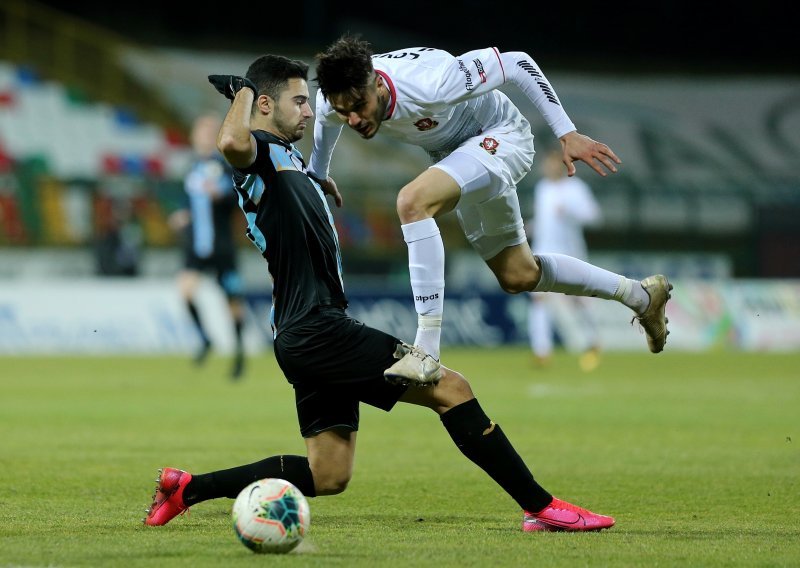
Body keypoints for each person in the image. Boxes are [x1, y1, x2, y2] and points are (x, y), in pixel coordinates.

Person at [143, 55, 615, 533]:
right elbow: (230, 141)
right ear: (265, 105)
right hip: (317, 328)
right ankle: (542, 506)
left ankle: (188, 488)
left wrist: (318, 172)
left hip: (302, 331)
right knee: (452, 390)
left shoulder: (291, 161)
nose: (311, 111)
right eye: (300, 102)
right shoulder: (260, 153)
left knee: (328, 474)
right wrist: (244, 89)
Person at [309, 34, 671, 384]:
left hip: (501, 135)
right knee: (518, 275)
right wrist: (320, 176)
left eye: (359, 107)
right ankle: (640, 295)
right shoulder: (337, 101)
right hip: (456, 155)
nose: (353, 119)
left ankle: (426, 352)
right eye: (345, 112)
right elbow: (326, 125)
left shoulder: (432, 83)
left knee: (412, 201)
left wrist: (567, 132)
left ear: (380, 87)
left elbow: (516, 63)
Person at [169, 113, 247, 380]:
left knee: (232, 301)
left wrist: (222, 195)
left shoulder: (226, 167)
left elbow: (236, 197)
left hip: (222, 247)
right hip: (196, 246)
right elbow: (187, 200)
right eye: (199, 133)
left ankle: (239, 356)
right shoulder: (191, 169)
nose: (202, 138)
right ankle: (205, 339)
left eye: (207, 133)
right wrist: (182, 214)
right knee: (186, 291)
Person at [528, 149, 602, 371]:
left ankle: (593, 340)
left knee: (577, 300)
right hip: (543, 252)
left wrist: (570, 211)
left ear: (561, 166)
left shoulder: (576, 188)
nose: (548, 169)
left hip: (571, 254)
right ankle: (542, 351)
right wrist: (527, 228)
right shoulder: (542, 188)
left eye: (552, 165)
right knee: (539, 300)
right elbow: (544, 221)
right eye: (546, 165)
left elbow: (594, 216)